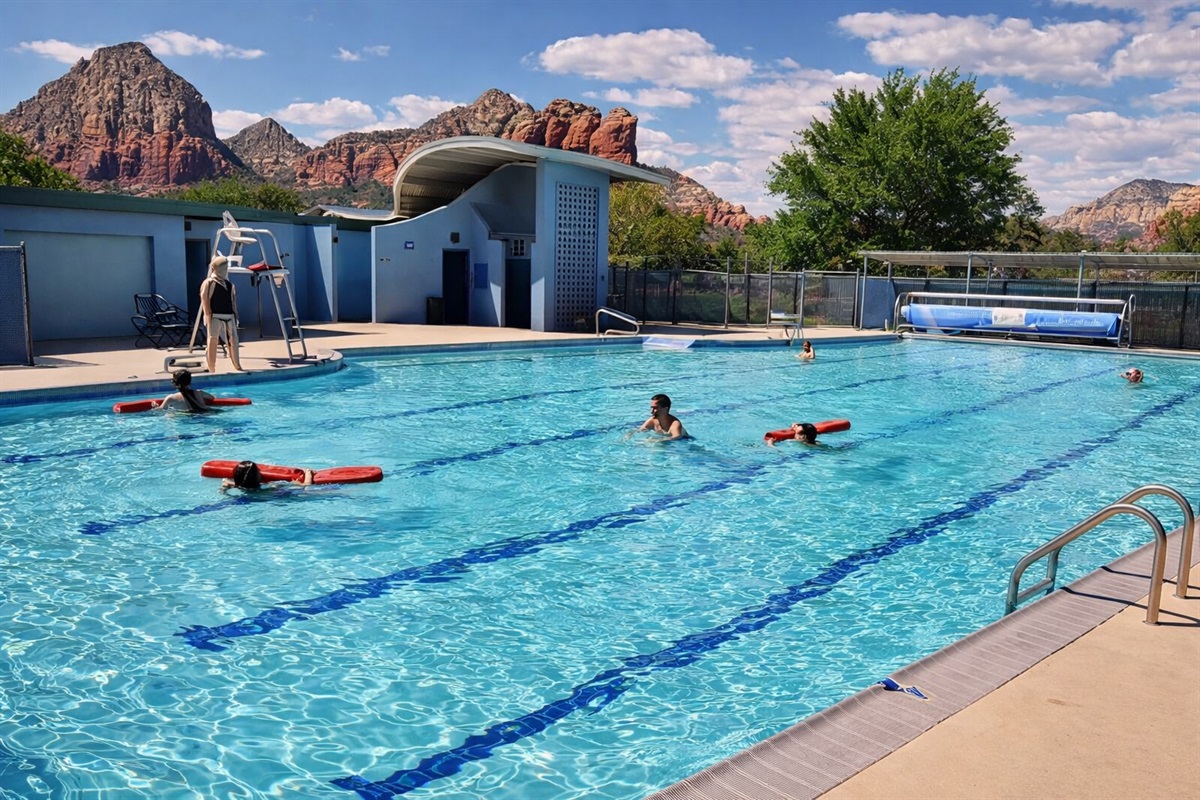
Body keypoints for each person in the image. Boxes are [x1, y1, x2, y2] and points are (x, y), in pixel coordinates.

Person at [200, 254, 244, 373]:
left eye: (225, 268)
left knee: (233, 340)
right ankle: (211, 366)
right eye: (222, 268)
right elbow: (205, 299)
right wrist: (207, 315)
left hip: (229, 315)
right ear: (215, 269)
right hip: (214, 315)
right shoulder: (209, 283)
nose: (224, 271)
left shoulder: (229, 285)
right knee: (212, 340)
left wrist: (236, 316)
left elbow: (233, 301)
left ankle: (237, 364)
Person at [220, 460, 313, 492]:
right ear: (258, 476)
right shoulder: (273, 486)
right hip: (270, 497)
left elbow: (225, 484)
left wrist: (224, 489)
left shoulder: (232, 484)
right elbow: (305, 486)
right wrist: (308, 474)